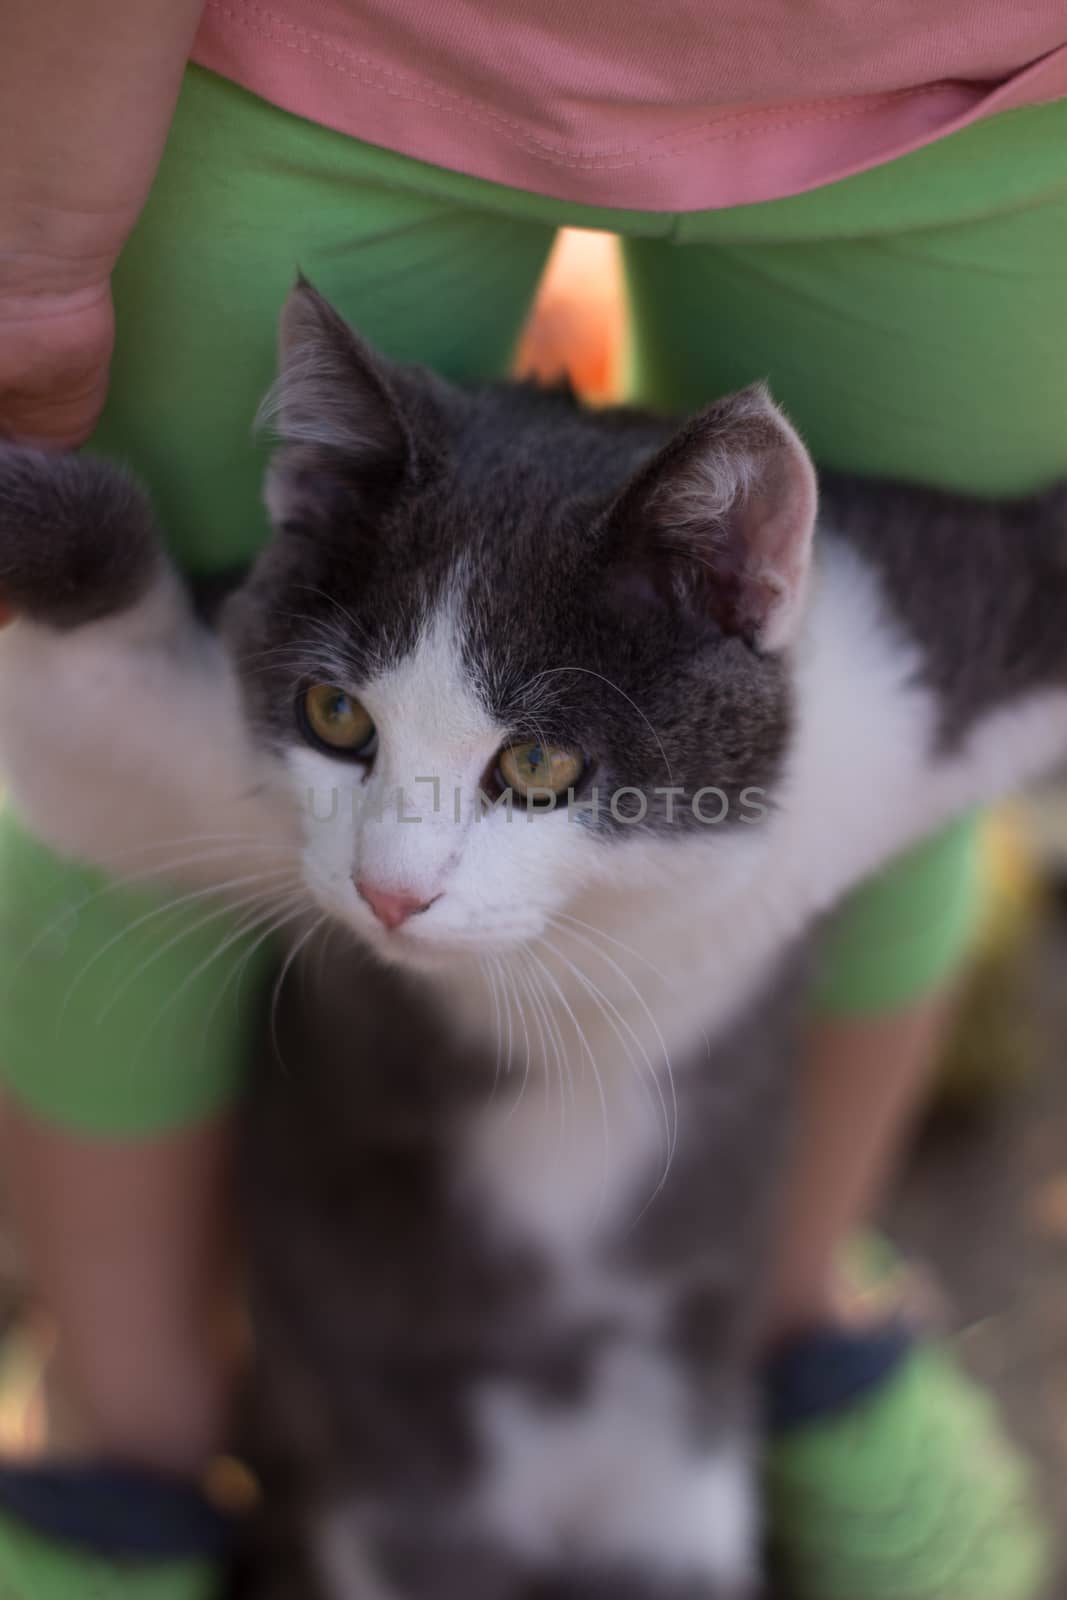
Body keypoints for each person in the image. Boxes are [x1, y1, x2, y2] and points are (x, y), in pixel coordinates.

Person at [1, 2, 1064, 1594]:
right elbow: (110, 749)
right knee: (105, 826)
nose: (396, 879)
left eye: (535, 774)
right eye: (343, 722)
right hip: (301, 46)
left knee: (883, 850)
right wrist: (35, 246)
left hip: (972, 88)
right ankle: (117, 1442)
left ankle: (795, 1332)